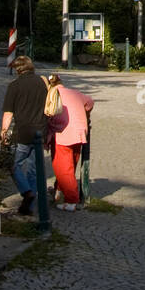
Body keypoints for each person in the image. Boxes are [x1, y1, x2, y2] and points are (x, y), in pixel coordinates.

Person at [0, 55, 48, 216]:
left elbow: (9, 112)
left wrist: (3, 131)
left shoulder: (14, 86)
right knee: (34, 170)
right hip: (40, 131)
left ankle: (27, 192)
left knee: (14, 165)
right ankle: (30, 205)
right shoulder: (42, 83)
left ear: (18, 69)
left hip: (23, 132)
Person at [46, 74, 94, 211]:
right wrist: (85, 113)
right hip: (79, 133)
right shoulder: (74, 93)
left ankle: (72, 200)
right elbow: (90, 102)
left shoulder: (51, 96)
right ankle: (59, 192)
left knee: (63, 169)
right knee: (71, 164)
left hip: (63, 134)